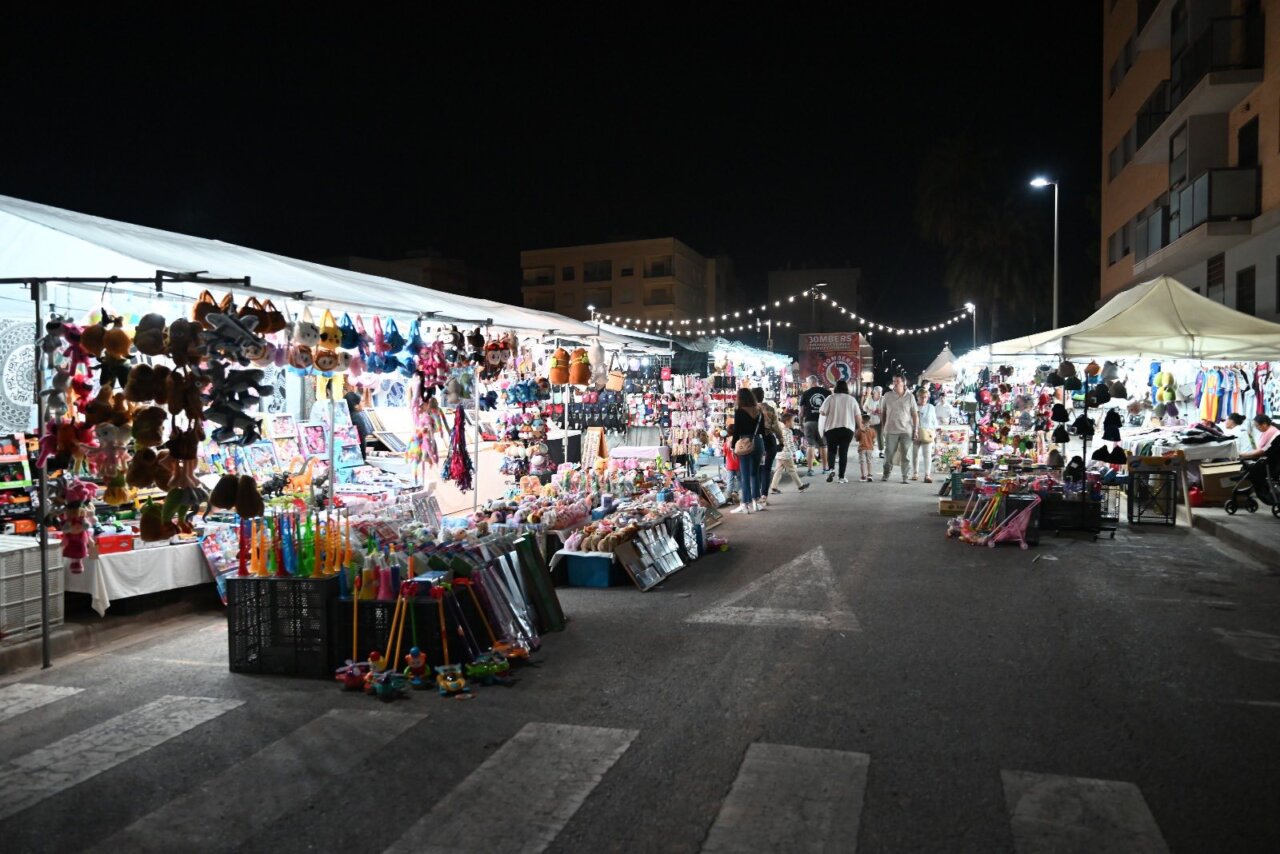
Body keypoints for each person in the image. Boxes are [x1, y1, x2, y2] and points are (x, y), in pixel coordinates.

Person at [818, 379, 863, 483]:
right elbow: (858, 415)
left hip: (831, 429)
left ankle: (831, 470)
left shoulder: (831, 398)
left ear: (836, 387)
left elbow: (822, 412)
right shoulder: (851, 399)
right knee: (843, 453)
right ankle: (841, 477)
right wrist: (860, 427)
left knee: (831, 451)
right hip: (847, 429)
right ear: (846, 388)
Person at [730, 387, 766, 513]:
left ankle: (745, 503)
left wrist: (733, 446)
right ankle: (756, 501)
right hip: (758, 442)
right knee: (754, 473)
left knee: (744, 475)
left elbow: (737, 431)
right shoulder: (759, 411)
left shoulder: (739, 411)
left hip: (745, 443)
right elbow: (762, 430)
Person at [880, 375, 918, 483]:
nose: (895, 383)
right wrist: (883, 427)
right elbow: (883, 412)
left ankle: (905, 476)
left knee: (906, 455)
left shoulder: (910, 397)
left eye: (897, 381)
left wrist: (915, 430)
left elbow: (915, 414)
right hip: (891, 430)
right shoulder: (887, 396)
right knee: (889, 454)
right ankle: (886, 474)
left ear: (903, 382)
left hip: (906, 430)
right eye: (893, 381)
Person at [753, 387, 783, 507]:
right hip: (769, 440)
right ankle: (764, 496)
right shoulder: (770, 409)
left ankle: (755, 496)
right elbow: (776, 427)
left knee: (756, 469)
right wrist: (781, 440)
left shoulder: (750, 410)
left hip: (755, 441)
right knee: (767, 469)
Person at [770, 411, 811, 494]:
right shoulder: (788, 431)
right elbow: (789, 443)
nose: (793, 422)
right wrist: (794, 452)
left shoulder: (780, 430)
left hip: (779, 454)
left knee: (778, 470)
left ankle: (774, 487)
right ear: (787, 422)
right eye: (792, 421)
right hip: (786, 454)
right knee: (792, 470)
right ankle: (800, 486)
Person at [799, 375, 829, 473]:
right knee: (823, 445)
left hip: (809, 422)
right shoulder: (827, 393)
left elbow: (801, 412)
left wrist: (800, 423)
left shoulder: (806, 393)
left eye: (807, 382)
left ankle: (810, 469)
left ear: (811, 382)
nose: (807, 384)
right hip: (823, 422)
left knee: (810, 445)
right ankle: (825, 468)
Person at [912, 386, 939, 483]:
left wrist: (935, 433)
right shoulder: (913, 406)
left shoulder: (931, 407)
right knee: (915, 454)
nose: (923, 399)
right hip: (915, 432)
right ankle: (915, 473)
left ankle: (927, 474)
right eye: (921, 397)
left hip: (927, 433)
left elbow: (934, 421)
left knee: (927, 455)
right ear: (917, 396)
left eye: (925, 397)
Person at [345, 391, 373, 461]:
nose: (363, 404)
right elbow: (364, 433)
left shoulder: (345, 416)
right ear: (356, 405)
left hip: (347, 453)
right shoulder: (357, 416)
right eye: (362, 401)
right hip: (359, 452)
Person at [864, 386, 884, 457]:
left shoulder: (883, 399)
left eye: (881, 392)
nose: (880, 394)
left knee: (880, 435)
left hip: (880, 420)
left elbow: (887, 409)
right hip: (870, 420)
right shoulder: (869, 399)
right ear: (874, 392)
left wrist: (880, 412)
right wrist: (870, 410)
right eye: (878, 392)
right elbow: (864, 407)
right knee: (870, 436)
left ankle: (881, 451)